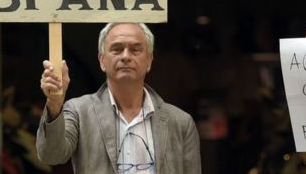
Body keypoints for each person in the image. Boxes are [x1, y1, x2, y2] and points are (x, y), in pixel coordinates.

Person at [36, 23, 201, 173]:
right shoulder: (79, 112)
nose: (126, 56)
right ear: (102, 60)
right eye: (117, 49)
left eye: (135, 49)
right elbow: (52, 156)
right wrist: (55, 102)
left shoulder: (181, 123)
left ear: (149, 60)